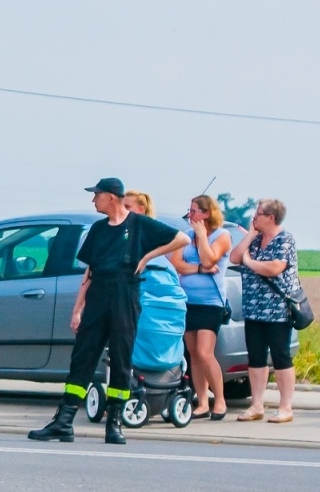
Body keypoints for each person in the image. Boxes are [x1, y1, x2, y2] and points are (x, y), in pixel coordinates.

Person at [29, 177, 188, 445]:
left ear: (111, 197)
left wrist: (147, 256)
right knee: (83, 358)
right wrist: (78, 309)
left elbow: (181, 238)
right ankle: (63, 422)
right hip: (98, 295)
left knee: (121, 359)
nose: (93, 200)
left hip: (125, 295)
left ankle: (114, 425)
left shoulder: (139, 225)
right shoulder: (98, 229)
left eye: (97, 195)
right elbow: (88, 272)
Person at [229, 198, 299, 423]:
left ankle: (285, 406)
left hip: (277, 310)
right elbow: (234, 257)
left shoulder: (285, 239)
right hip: (253, 308)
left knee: (280, 356)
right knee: (256, 357)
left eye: (258, 214)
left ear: (271, 217)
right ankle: (256, 405)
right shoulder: (255, 239)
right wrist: (249, 235)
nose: (254, 217)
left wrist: (249, 263)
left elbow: (274, 268)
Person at [173, 194, 233, 421]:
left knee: (205, 352)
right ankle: (202, 401)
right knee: (193, 354)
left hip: (211, 303)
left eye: (194, 211)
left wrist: (202, 237)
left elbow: (210, 260)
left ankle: (219, 400)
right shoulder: (185, 236)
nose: (190, 215)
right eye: (189, 210)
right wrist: (198, 269)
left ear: (206, 213)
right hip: (188, 301)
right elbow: (176, 263)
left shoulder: (222, 235)